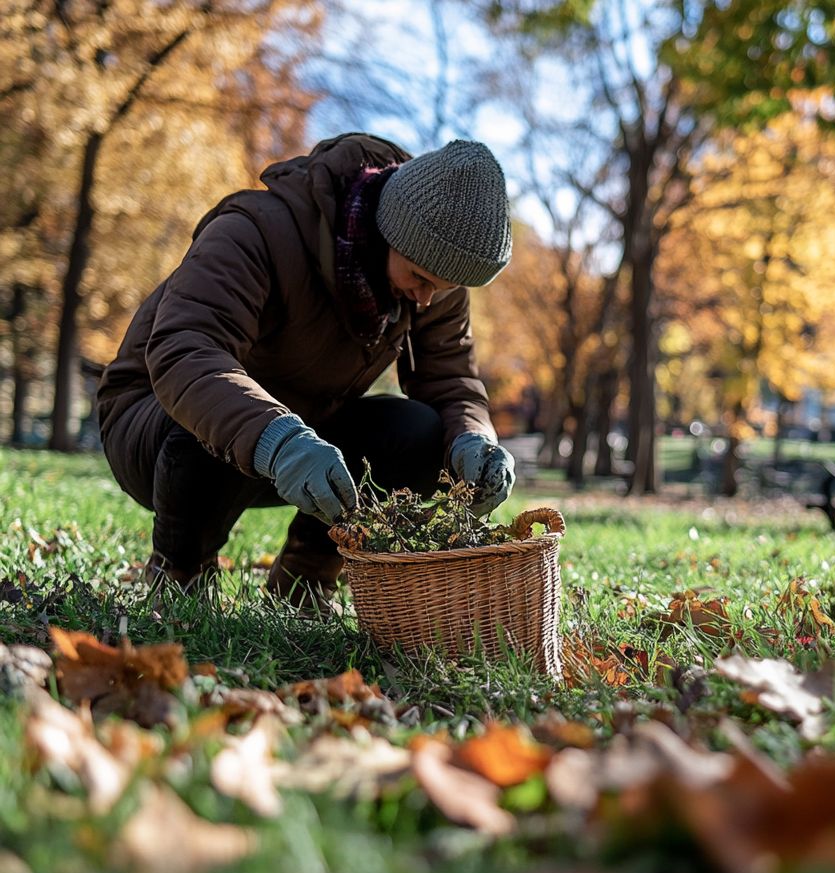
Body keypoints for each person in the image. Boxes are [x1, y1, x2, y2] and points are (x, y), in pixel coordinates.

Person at [96, 132, 518, 612]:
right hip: (158, 426)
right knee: (211, 411)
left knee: (421, 432)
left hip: (304, 436)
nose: (426, 299)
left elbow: (451, 382)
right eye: (420, 279)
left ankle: (306, 578)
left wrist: (472, 439)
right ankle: (180, 572)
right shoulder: (255, 231)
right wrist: (281, 439)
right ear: (389, 232)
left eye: (444, 289)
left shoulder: (435, 279)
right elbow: (186, 352)